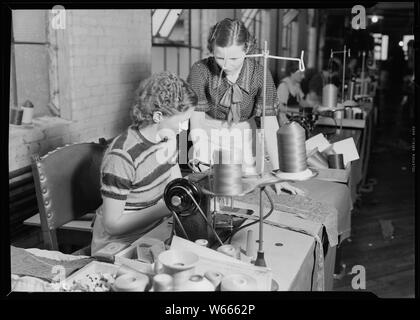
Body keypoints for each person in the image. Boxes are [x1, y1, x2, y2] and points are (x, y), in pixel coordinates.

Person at [187, 18, 303, 196]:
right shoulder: (200, 70)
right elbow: (197, 122)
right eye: (219, 57)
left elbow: (270, 125)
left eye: (234, 58)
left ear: (247, 48)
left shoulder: (260, 74)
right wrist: (203, 159)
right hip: (208, 134)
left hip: (244, 136)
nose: (226, 64)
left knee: (250, 190)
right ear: (211, 50)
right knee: (209, 191)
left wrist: (280, 175)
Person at [91, 72, 197, 254]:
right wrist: (166, 208)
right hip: (118, 244)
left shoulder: (167, 139)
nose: (185, 128)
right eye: (182, 121)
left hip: (155, 231)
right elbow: (112, 226)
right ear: (158, 117)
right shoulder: (122, 157)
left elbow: (175, 187)